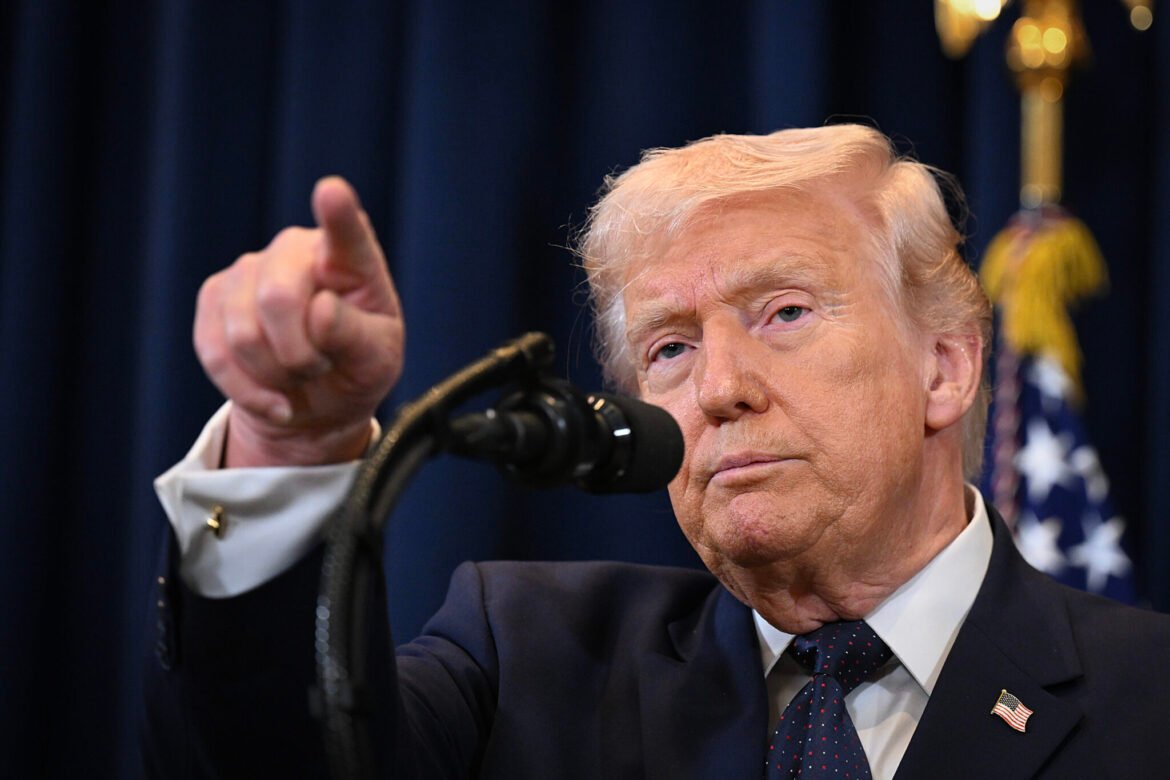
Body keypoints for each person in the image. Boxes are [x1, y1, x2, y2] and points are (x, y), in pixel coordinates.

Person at [144, 125, 1170, 779]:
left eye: (784, 312)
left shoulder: (1150, 701)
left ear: (944, 367)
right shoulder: (524, 655)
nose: (719, 387)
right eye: (669, 346)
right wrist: (291, 442)